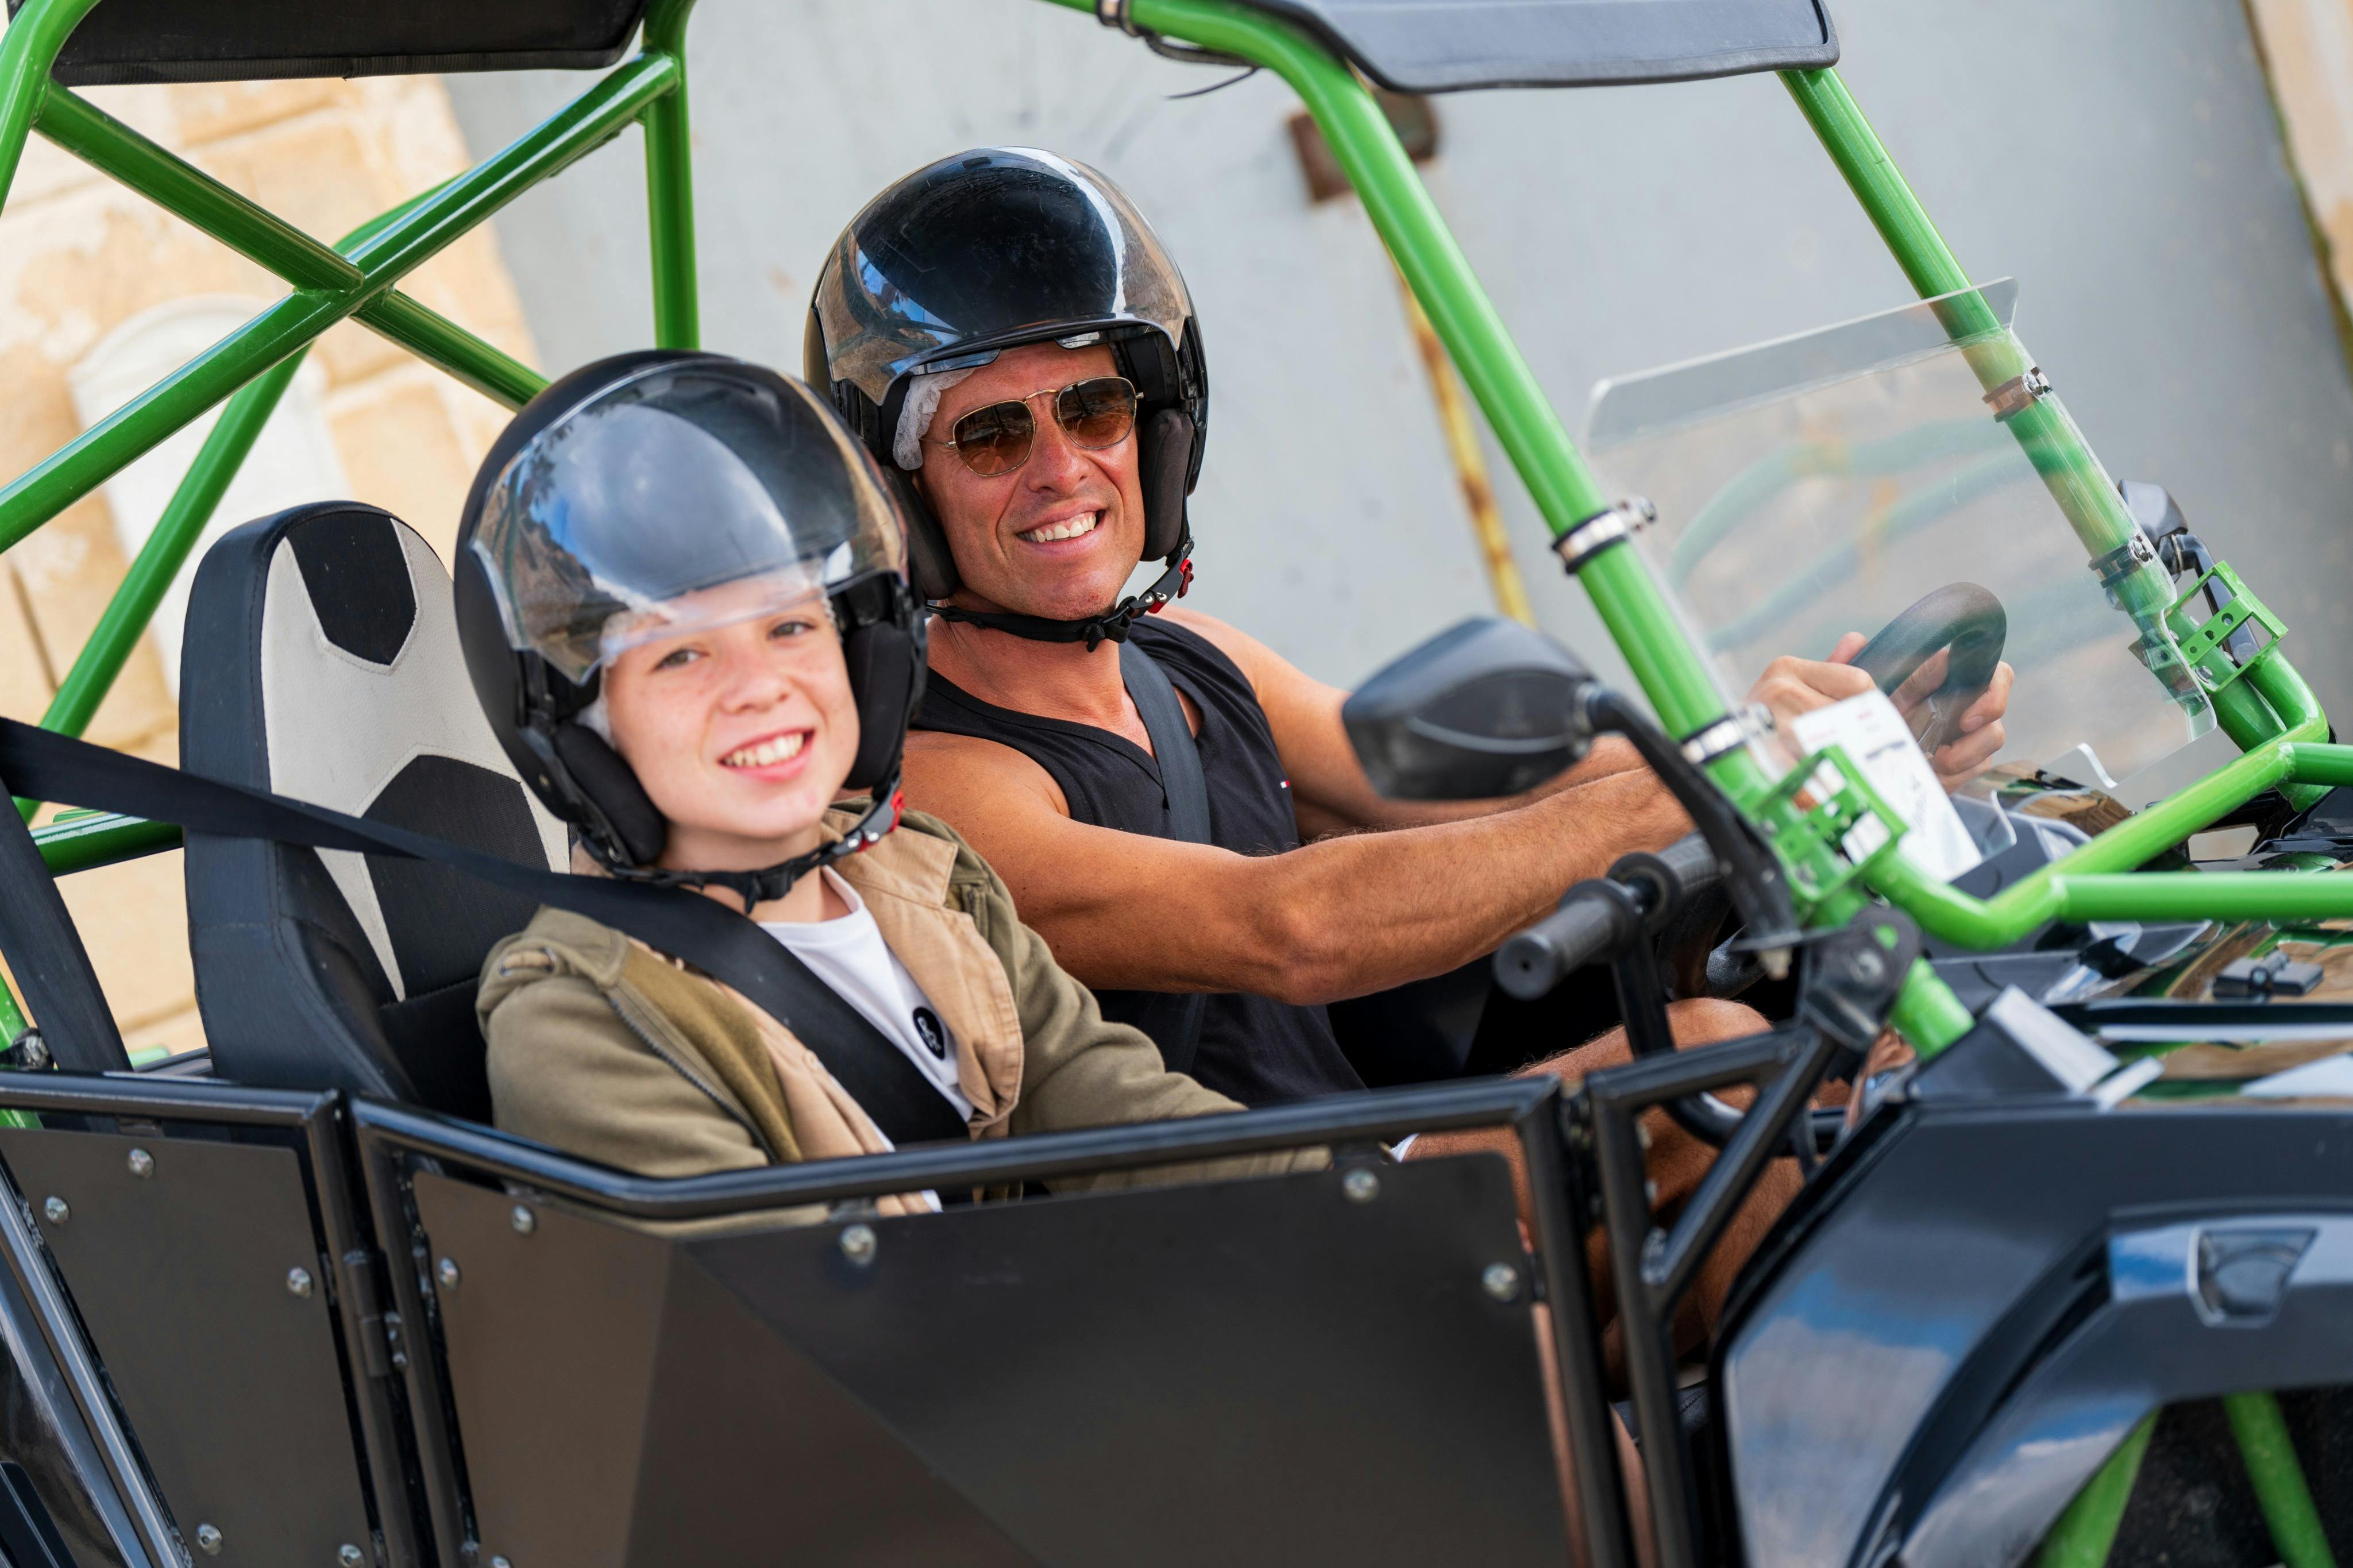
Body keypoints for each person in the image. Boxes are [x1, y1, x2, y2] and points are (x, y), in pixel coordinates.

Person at [804, 149, 2012, 1113]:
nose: (1063, 470)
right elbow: (1287, 929)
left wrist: (1796, 749)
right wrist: (1707, 783)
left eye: (1094, 406)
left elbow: (1461, 795)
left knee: (1839, 1032)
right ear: (899, 486)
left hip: (1380, 1178)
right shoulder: (940, 784)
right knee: (1710, 1058)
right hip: (1242, 1254)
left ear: (1154, 430)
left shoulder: (1194, 663)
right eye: (992, 436)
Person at [453, 350, 1314, 1194]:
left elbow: (1126, 1116)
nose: (761, 688)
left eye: (791, 628)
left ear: (866, 650)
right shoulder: (582, 1019)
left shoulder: (927, 874)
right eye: (680, 656)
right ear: (581, 729)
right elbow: (796, 1313)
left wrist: (1375, 1200)